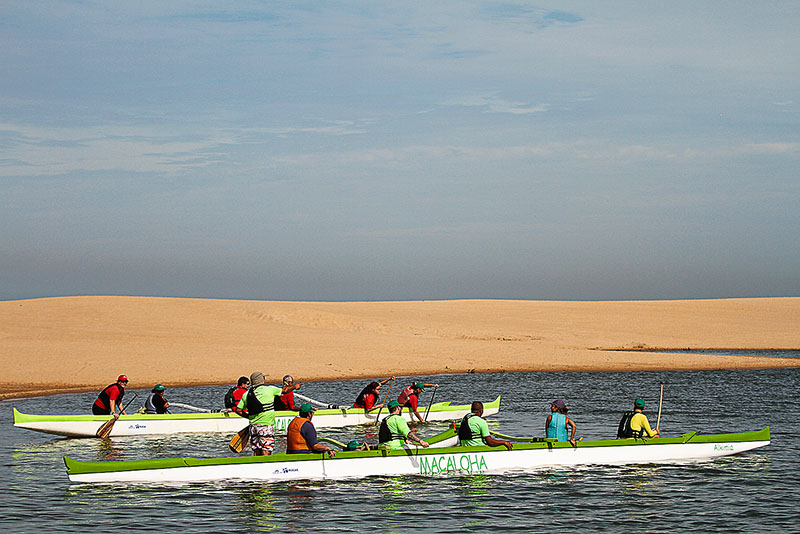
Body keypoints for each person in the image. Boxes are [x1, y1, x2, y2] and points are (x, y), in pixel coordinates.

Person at [233, 371, 297, 456]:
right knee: (266, 450)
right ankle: (266, 468)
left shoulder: (247, 394)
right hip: (266, 425)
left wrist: (248, 417)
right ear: (261, 380)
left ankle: (257, 466)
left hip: (253, 426)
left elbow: (238, 410)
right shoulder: (269, 389)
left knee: (256, 451)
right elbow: (285, 390)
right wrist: (295, 387)